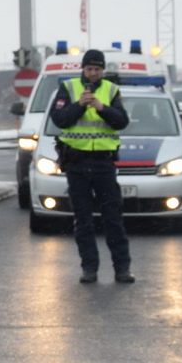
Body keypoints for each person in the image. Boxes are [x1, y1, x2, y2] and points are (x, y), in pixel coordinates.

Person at [49, 49, 134, 284]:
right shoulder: (68, 88)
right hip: (76, 163)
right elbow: (59, 119)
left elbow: (122, 121)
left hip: (103, 163)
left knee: (113, 218)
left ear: (102, 70)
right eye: (89, 69)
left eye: (97, 69)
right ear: (83, 69)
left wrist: (102, 108)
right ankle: (89, 268)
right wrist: (79, 105)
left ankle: (122, 268)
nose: (93, 73)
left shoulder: (111, 90)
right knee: (83, 220)